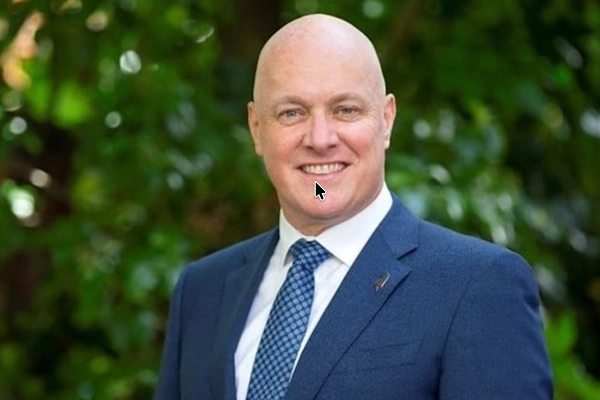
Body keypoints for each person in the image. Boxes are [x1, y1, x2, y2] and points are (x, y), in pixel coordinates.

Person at [154, 13, 553, 400]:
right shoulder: (201, 291)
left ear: (387, 120)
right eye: (292, 113)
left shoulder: (477, 285)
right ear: (257, 128)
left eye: (345, 110)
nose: (320, 138)